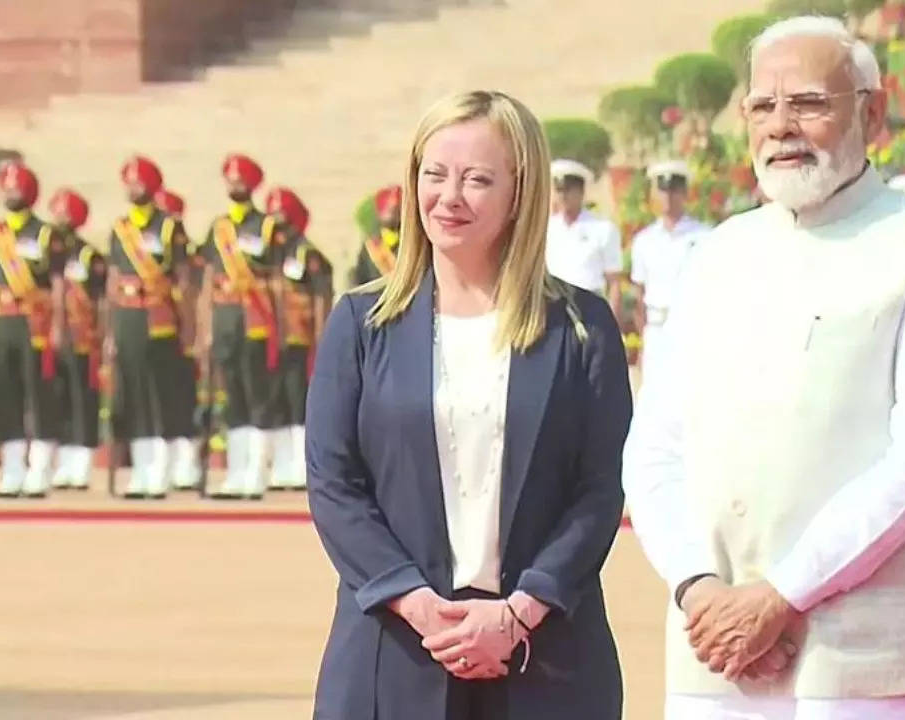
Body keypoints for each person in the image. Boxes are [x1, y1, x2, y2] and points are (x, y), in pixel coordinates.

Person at [623, 17, 905, 720]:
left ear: (872, 111)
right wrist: (701, 592)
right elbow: (654, 450)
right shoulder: (716, 258)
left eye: (810, 103)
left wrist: (781, 595)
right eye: (763, 106)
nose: (783, 126)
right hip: (719, 655)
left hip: (871, 659)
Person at [306, 90, 630, 720]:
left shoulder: (581, 328)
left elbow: (599, 491)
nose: (449, 197)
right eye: (435, 174)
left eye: (477, 179)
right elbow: (334, 485)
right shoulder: (361, 325)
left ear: (521, 191)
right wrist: (420, 606)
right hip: (395, 653)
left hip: (545, 659)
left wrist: (518, 612)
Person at [0, 160, 68, 498]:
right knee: (5, 395)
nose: (9, 192)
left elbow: (57, 284)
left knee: (37, 394)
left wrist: (57, 324)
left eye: (16, 186)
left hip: (34, 324)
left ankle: (39, 469)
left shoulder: (46, 234)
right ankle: (12, 469)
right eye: (5, 186)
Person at [106, 156, 193, 499]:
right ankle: (141, 470)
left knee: (158, 395)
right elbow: (113, 282)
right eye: (128, 182)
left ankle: (160, 470)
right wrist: (111, 331)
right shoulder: (119, 229)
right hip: (127, 319)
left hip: (160, 319)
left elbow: (184, 281)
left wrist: (188, 325)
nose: (133, 188)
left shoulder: (169, 227)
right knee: (134, 395)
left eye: (139, 181)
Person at [196, 153, 282, 499]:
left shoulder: (267, 227)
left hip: (257, 320)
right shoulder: (218, 229)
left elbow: (276, 279)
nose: (234, 185)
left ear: (251, 185)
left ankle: (256, 473)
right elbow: (207, 279)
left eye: (240, 179)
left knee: (256, 394)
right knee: (232, 398)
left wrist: (281, 326)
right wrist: (205, 327)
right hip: (226, 318)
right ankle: (235, 471)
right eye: (229, 179)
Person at [265, 186, 331, 491]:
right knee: (276, 401)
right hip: (270, 339)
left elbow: (320, 297)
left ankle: (302, 465)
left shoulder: (307, 253)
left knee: (299, 401)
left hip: (299, 338)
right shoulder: (269, 253)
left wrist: (321, 338)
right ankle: (281, 465)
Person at [630, 160, 710, 387]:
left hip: (691, 327)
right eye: (662, 190)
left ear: (685, 194)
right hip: (656, 329)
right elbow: (639, 294)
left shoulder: (704, 237)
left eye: (674, 190)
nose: (668, 197)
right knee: (654, 398)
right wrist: (643, 340)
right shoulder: (644, 241)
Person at [47, 189, 106, 490]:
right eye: (56, 211)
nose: (60, 218)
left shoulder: (89, 256)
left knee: (82, 399)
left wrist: (102, 335)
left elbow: (102, 299)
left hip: (83, 337)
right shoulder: (44, 253)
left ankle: (81, 463)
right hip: (52, 337)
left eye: (66, 213)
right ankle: (62, 462)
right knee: (57, 399)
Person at [152, 187, 201, 491]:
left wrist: (192, 330)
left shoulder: (189, 258)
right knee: (165, 398)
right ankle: (167, 463)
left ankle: (187, 462)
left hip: (182, 331)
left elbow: (191, 293)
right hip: (163, 331)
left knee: (185, 399)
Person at [544, 159, 623, 317]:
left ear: (581, 192)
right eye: (559, 191)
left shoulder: (602, 228)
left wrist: (612, 320)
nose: (563, 196)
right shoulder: (547, 228)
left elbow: (613, 282)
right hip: (555, 307)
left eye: (568, 190)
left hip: (590, 307)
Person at [351, 185, 402, 285]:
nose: (392, 214)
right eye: (390, 210)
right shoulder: (372, 244)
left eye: (397, 210)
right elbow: (361, 276)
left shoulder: (414, 241)